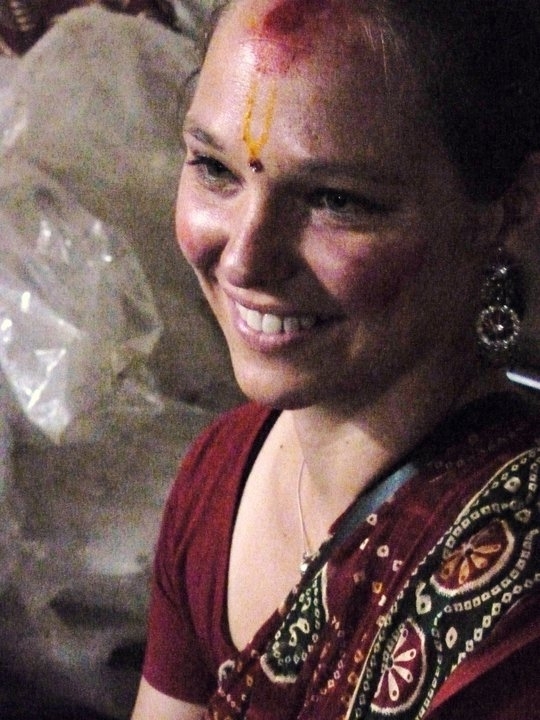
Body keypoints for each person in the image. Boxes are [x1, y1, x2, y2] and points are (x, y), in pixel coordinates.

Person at [131, 0, 540, 718]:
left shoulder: (514, 617)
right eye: (215, 168)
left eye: (335, 200)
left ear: (509, 208)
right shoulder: (220, 471)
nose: (245, 259)